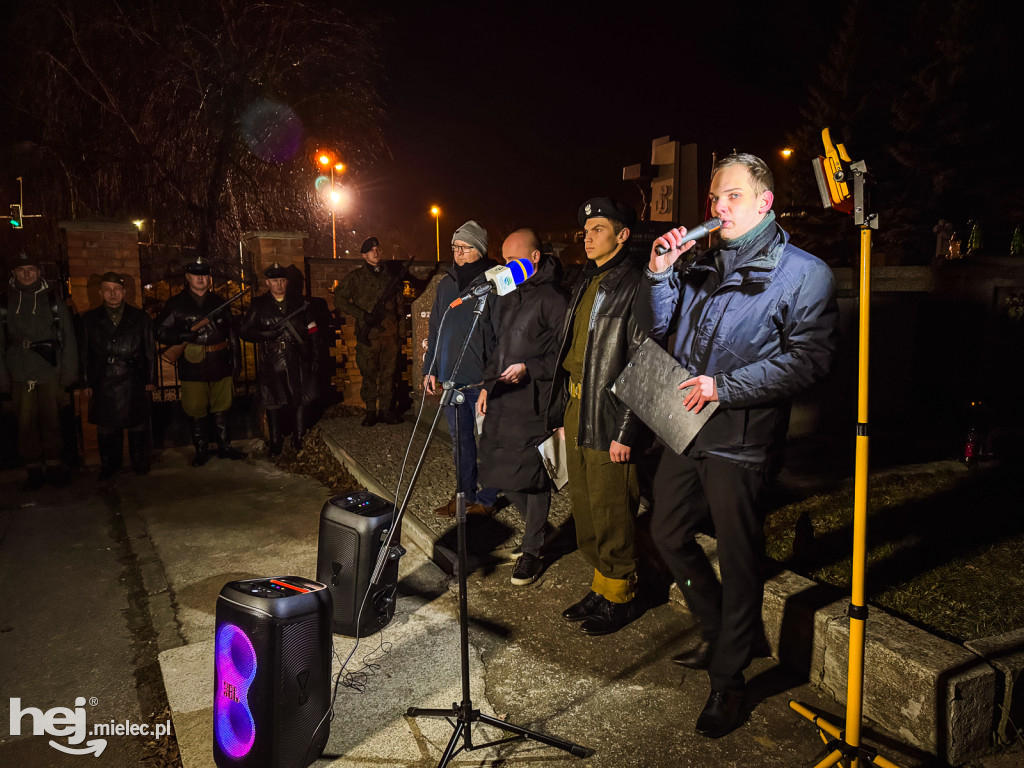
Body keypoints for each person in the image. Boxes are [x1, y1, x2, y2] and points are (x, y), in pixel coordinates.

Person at [638, 153, 839, 738]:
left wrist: (725, 388)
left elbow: (811, 359)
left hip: (742, 438)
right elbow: (659, 326)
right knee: (667, 532)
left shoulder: (805, 272)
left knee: (740, 555)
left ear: (763, 203)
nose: (717, 207)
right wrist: (659, 273)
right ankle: (723, 628)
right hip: (686, 426)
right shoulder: (702, 263)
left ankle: (729, 681)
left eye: (730, 197)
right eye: (713, 199)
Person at [546, 198, 647, 636]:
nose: (587, 237)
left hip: (609, 411)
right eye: (585, 230)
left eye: (599, 228)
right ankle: (601, 587)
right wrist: (561, 413)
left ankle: (622, 594)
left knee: (613, 510)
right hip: (576, 407)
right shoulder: (588, 278)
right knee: (585, 507)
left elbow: (645, 361)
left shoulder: (637, 283)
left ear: (622, 234)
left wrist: (628, 428)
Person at [476, 229, 568, 585]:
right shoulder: (507, 295)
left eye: (511, 261)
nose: (504, 268)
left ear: (533, 259)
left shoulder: (553, 297)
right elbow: (498, 347)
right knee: (499, 470)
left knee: (532, 477)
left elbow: (565, 350)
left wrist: (531, 368)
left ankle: (532, 550)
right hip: (502, 395)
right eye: (502, 260)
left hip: (533, 399)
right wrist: (487, 385)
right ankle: (539, 530)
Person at [422, 220, 501, 517]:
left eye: (466, 248)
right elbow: (436, 326)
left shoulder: (493, 283)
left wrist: (493, 381)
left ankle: (488, 498)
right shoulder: (446, 283)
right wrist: (430, 369)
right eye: (456, 247)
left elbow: (501, 333)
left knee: (488, 443)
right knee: (460, 443)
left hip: (481, 381)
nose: (459, 253)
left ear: (479, 249)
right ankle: (464, 496)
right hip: (451, 381)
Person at [154, 256, 246, 466]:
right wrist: (181, 336)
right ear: (188, 277)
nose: (201, 279)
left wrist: (236, 361)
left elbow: (232, 334)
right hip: (193, 365)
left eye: (204, 275)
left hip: (220, 362)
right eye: (196, 275)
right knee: (196, 409)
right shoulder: (176, 304)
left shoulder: (220, 302)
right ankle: (201, 449)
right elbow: (159, 331)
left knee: (222, 407)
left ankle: (225, 446)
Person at [0, 251, 78, 489]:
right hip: (19, 373)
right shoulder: (5, 302)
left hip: (49, 371)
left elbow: (68, 338)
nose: (27, 274)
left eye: (31, 269)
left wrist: (68, 374)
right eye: (22, 270)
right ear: (14, 273)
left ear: (38, 272)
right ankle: (33, 469)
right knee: (25, 425)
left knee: (52, 421)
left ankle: (55, 466)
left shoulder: (52, 299)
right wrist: (3, 380)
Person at [79, 271, 157, 479]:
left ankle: (138, 461)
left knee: (137, 420)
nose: (112, 294)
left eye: (116, 289)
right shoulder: (89, 319)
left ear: (123, 292)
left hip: (133, 378)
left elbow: (150, 351)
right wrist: (86, 381)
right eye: (107, 290)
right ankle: (109, 465)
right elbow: (84, 354)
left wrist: (150, 379)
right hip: (102, 378)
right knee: (106, 423)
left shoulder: (140, 318)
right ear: (100, 292)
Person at [240, 263, 319, 455]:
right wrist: (265, 334)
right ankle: (276, 440)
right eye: (274, 281)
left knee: (299, 398)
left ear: (287, 282)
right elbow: (244, 330)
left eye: (282, 280)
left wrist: (315, 355)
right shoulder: (259, 305)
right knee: (273, 400)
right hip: (272, 359)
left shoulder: (300, 304)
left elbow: (313, 331)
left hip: (297, 357)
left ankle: (298, 437)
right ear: (268, 282)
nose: (279, 284)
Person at [333, 236, 406, 426]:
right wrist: (363, 316)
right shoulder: (356, 278)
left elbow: (400, 307)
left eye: (378, 249)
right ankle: (371, 410)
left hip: (389, 334)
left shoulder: (391, 278)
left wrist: (401, 332)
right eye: (372, 250)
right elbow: (339, 299)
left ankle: (386, 410)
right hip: (369, 335)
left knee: (389, 373)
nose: (376, 252)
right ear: (364, 255)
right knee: (369, 373)